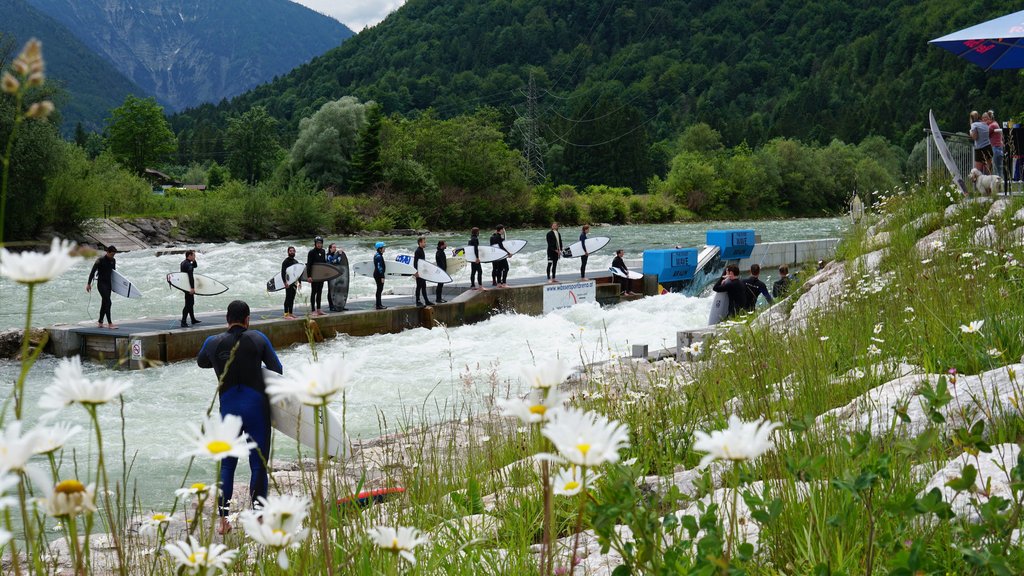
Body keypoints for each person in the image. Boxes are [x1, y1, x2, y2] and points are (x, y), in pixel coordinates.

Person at [197, 300, 282, 536]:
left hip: (229, 410)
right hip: (256, 409)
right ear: (247, 319)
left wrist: (221, 361)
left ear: (226, 319)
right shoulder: (258, 338)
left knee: (228, 465)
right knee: (258, 463)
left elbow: (201, 361)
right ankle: (259, 516)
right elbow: (277, 369)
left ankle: (224, 521)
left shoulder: (212, 342)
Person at [85, 245, 118, 329]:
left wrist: (115, 287)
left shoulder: (113, 260)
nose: (112, 256)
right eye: (111, 254)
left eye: (114, 255)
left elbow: (114, 274)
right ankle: (110, 323)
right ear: (107, 252)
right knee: (108, 302)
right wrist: (88, 284)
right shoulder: (100, 260)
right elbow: (92, 272)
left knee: (104, 303)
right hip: (101, 284)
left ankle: (100, 322)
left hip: (109, 284)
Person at [179, 250, 201, 328]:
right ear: (190, 255)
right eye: (193, 255)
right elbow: (190, 277)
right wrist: (192, 288)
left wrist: (194, 260)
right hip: (188, 287)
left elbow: (195, 266)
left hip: (184, 286)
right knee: (189, 304)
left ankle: (193, 319)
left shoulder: (183, 263)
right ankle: (183, 322)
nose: (195, 257)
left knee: (190, 303)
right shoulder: (188, 265)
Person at [306, 236, 326, 316]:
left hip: (321, 275)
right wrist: (309, 276)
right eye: (317, 243)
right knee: (314, 292)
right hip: (314, 275)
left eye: (320, 243)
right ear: (315, 244)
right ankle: (313, 310)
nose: (319, 244)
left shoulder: (323, 251)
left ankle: (319, 309)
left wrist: (325, 275)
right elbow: (309, 265)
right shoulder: (311, 252)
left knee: (320, 292)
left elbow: (324, 264)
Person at [325, 243, 348, 312]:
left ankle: (340, 305)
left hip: (336, 275)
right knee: (330, 290)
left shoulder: (336, 255)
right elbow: (334, 261)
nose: (335, 248)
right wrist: (339, 254)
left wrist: (340, 255)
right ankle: (331, 306)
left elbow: (340, 262)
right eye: (333, 247)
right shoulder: (328, 256)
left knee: (338, 289)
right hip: (329, 275)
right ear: (330, 248)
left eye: (335, 247)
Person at [970, 110, 993, 174]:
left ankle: (979, 184)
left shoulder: (974, 125)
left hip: (980, 149)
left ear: (971, 118)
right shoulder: (984, 124)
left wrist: (970, 133)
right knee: (988, 171)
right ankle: (989, 183)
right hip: (988, 147)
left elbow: (975, 137)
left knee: (977, 172)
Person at [281, 246, 300, 319]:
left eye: (293, 251)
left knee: (292, 298)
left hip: (294, 283)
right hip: (288, 282)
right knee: (288, 298)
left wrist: (299, 282)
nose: (292, 252)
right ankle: (286, 314)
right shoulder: (285, 261)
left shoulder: (296, 262)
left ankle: (291, 313)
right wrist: (285, 282)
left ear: (295, 252)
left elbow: (298, 273)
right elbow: (283, 273)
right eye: (290, 251)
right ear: (288, 252)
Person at [413, 236, 433, 307]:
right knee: (419, 286)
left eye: (425, 242)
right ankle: (417, 301)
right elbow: (415, 263)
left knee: (424, 286)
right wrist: (416, 272)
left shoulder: (421, 250)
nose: (425, 243)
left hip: (422, 272)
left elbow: (423, 263)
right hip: (419, 273)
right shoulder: (418, 251)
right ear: (420, 243)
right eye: (424, 242)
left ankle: (426, 300)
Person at [985, 110, 1004, 182]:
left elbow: (985, 134)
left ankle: (997, 186)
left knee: (996, 168)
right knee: (999, 168)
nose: (986, 121)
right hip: (999, 147)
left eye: (987, 119)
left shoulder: (992, 126)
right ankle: (1001, 184)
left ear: (990, 118)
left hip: (995, 148)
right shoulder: (996, 124)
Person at [373, 241, 387, 310]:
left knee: (379, 290)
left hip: (377, 274)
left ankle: (378, 304)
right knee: (379, 290)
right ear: (380, 248)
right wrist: (382, 276)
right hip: (378, 275)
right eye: (383, 247)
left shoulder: (378, 255)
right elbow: (379, 267)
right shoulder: (378, 256)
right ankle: (378, 305)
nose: (384, 249)